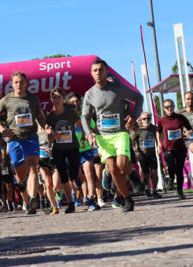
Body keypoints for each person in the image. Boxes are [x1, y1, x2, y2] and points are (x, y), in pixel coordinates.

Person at [81, 59, 143, 212]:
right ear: (91, 73)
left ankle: (131, 173)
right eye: (95, 70)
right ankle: (126, 199)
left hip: (120, 133)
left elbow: (139, 98)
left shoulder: (117, 88)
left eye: (101, 70)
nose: (98, 73)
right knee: (113, 169)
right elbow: (84, 116)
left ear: (106, 71)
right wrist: (89, 133)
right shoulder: (89, 94)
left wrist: (134, 117)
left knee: (122, 165)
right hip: (103, 137)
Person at [0, 71, 46, 215]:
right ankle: (26, 202)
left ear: (26, 83)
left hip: (31, 137)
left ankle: (34, 199)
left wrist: (45, 125)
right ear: (12, 84)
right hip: (15, 140)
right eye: (16, 82)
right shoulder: (6, 100)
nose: (19, 85)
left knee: (33, 167)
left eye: (21, 82)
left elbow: (40, 116)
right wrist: (3, 130)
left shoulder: (33, 99)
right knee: (21, 176)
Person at [45, 87, 80, 213]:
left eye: (59, 97)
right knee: (63, 176)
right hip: (58, 149)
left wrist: (85, 136)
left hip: (73, 147)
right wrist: (53, 136)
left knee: (74, 173)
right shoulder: (50, 117)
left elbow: (80, 124)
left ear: (63, 98)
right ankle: (71, 203)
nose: (56, 99)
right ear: (51, 99)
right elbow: (49, 136)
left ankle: (76, 179)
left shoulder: (70, 112)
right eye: (54, 97)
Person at [66, 92, 101, 211]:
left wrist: (91, 135)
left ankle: (91, 199)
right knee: (77, 177)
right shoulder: (66, 117)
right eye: (73, 102)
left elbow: (94, 129)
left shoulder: (85, 117)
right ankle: (79, 196)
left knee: (89, 173)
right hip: (72, 150)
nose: (76, 103)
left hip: (85, 148)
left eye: (77, 101)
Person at [156, 99, 192, 199]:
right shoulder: (162, 120)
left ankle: (180, 191)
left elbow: (189, 129)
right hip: (167, 149)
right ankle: (171, 178)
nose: (169, 108)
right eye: (167, 107)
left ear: (174, 106)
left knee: (179, 170)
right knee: (171, 167)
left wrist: (188, 133)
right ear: (164, 108)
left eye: (171, 106)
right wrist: (159, 143)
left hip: (180, 148)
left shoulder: (180, 118)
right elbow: (158, 131)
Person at [130, 112, 161, 198]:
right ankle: (147, 188)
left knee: (154, 172)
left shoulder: (154, 128)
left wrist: (159, 147)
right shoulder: (137, 129)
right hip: (142, 154)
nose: (146, 120)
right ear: (141, 120)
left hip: (152, 154)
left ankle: (154, 190)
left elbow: (158, 139)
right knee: (146, 174)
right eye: (144, 119)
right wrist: (136, 152)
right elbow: (132, 142)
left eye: (148, 118)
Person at [37, 125, 59, 215]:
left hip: (54, 159)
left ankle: (57, 196)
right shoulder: (34, 133)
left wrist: (52, 135)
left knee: (56, 185)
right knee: (48, 184)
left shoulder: (51, 128)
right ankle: (54, 207)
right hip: (42, 160)